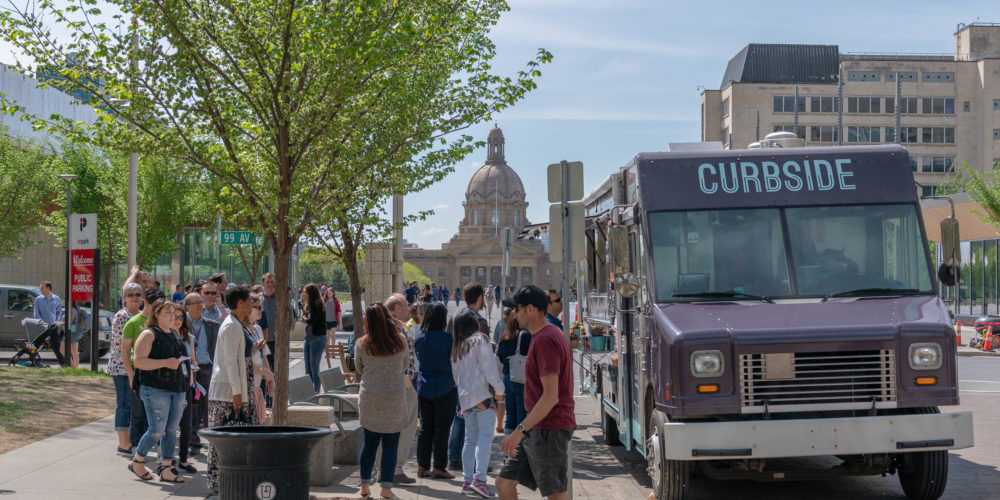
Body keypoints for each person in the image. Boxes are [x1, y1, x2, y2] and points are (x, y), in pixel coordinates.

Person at [496, 286, 577, 500]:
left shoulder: (545, 339)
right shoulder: (543, 335)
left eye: (516, 309)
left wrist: (519, 430)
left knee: (556, 494)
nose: (514, 314)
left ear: (530, 309)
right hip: (536, 427)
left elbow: (551, 396)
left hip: (549, 428)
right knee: (504, 483)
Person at [127, 300, 189, 484]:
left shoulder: (174, 333)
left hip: (177, 388)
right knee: (156, 431)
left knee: (171, 430)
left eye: (174, 313)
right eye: (167, 313)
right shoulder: (149, 334)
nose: (172, 317)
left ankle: (166, 468)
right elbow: (138, 361)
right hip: (155, 389)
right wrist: (165, 363)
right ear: (156, 314)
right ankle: (138, 461)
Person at [206, 285, 257, 494]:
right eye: (249, 301)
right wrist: (237, 392)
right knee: (221, 441)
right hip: (226, 392)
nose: (252, 305)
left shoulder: (237, 324)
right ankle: (217, 483)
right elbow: (230, 362)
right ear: (241, 303)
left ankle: (227, 481)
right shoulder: (232, 326)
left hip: (234, 390)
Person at [356, 302, 409, 500]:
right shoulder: (400, 342)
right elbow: (405, 364)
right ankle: (386, 488)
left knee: (369, 443)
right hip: (394, 398)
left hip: (370, 397)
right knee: (390, 444)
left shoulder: (362, 344)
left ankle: (364, 485)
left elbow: (359, 369)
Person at [451, 309, 504, 498]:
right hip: (482, 395)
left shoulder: (458, 346)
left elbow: (456, 377)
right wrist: (499, 390)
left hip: (466, 398)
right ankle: (480, 480)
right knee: (485, 437)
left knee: (470, 438)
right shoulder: (480, 340)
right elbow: (490, 369)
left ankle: (467, 481)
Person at [373, 293, 418, 486]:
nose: (409, 309)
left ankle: (382, 469)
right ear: (397, 308)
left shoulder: (378, 327)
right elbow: (400, 356)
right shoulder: (396, 328)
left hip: (380, 384)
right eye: (406, 305)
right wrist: (406, 376)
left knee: (382, 427)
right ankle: (395, 469)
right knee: (406, 425)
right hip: (401, 383)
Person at [448, 282, 490, 471]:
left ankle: (454, 456)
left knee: (460, 415)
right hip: (477, 377)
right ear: (480, 297)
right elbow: (485, 354)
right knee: (478, 423)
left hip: (459, 373)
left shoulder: (455, 318)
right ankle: (474, 462)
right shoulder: (479, 321)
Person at [414, 302, 456, 479]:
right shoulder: (448, 339)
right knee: (442, 429)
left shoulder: (419, 337)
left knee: (425, 428)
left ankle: (422, 466)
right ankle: (439, 466)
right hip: (445, 387)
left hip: (424, 387)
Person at [122, 287, 166, 450]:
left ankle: (158, 447)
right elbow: (125, 351)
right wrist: (131, 374)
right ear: (146, 302)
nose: (157, 310)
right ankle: (136, 447)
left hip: (159, 373)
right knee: (138, 413)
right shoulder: (133, 323)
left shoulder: (162, 322)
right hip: (140, 373)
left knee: (158, 413)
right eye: (155, 305)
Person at [106, 282, 142, 455]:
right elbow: (124, 346)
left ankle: (132, 440)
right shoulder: (122, 316)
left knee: (134, 406)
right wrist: (130, 371)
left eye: (137, 294)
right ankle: (123, 444)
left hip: (136, 367)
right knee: (124, 404)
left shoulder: (141, 315)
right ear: (124, 298)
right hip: (121, 367)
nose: (134, 298)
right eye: (130, 295)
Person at [184, 291, 220, 452]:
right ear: (187, 307)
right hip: (189, 370)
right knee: (191, 407)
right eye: (196, 303)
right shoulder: (181, 324)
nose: (201, 305)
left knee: (209, 406)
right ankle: (193, 441)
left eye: (201, 302)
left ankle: (213, 442)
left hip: (207, 368)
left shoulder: (212, 325)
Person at [172, 303, 198, 475]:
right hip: (170, 386)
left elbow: (193, 359)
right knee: (169, 426)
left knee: (186, 425)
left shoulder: (189, 338)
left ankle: (183, 459)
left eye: (180, 317)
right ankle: (166, 460)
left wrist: (193, 368)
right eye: (174, 317)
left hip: (187, 385)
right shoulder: (164, 336)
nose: (177, 320)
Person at [495, 312, 531, 434]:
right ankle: (520, 438)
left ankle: (508, 440)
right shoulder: (525, 336)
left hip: (507, 377)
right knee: (522, 414)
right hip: (521, 379)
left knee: (510, 415)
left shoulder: (504, 337)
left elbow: (500, 358)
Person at [247, 293, 274, 423]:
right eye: (257, 307)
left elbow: (264, 357)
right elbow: (246, 363)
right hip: (247, 389)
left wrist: (269, 380)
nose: (261, 310)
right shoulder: (241, 329)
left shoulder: (258, 328)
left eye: (261, 307)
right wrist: (266, 373)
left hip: (258, 387)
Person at [301, 284, 328, 393]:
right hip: (308, 338)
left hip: (317, 338)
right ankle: (309, 391)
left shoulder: (317, 304)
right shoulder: (310, 304)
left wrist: (305, 319)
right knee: (308, 367)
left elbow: (312, 320)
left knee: (314, 367)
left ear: (310, 293)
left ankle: (316, 391)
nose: (303, 294)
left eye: (305, 292)